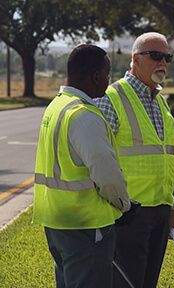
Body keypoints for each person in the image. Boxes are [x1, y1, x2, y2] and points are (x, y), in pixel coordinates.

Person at [32, 44, 137, 288]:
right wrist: (124, 205)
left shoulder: (56, 107)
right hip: (87, 227)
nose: (108, 82)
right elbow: (106, 174)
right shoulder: (84, 116)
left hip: (57, 222)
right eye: (108, 75)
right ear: (96, 76)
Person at [95, 32, 174, 288]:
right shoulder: (112, 97)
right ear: (135, 59)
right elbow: (97, 158)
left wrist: (173, 208)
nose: (162, 63)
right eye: (155, 56)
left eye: (167, 57)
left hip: (160, 213)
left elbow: (167, 161)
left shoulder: (161, 103)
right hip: (128, 214)